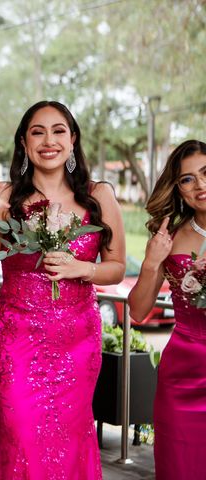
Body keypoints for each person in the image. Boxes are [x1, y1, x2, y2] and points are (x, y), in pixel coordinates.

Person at [0, 101, 125, 479]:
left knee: (71, 435)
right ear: (24, 142)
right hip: (17, 339)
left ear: (72, 140)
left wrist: (82, 268)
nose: (49, 140)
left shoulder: (98, 195)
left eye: (58, 131)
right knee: (21, 432)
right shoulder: (5, 199)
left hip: (77, 340)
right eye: (38, 132)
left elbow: (116, 268)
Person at [128, 140, 206, 480]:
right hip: (183, 376)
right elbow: (138, 311)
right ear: (178, 189)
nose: (200, 185)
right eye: (188, 179)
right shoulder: (168, 238)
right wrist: (151, 263)